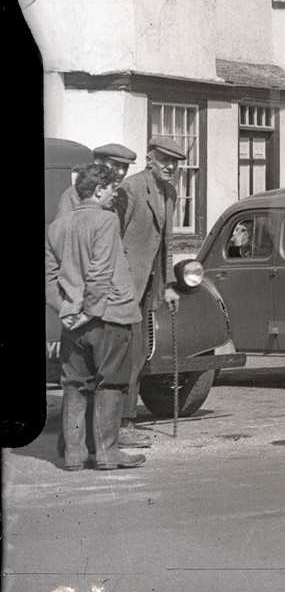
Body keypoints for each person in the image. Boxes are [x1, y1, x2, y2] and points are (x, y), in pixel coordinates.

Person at [45, 163, 146, 470]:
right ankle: (106, 452)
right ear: (99, 189)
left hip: (72, 321)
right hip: (108, 315)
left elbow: (49, 278)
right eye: (112, 189)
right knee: (111, 383)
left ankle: (74, 454)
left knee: (74, 384)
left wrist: (67, 311)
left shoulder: (57, 226)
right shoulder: (105, 220)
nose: (114, 195)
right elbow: (101, 271)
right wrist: (89, 312)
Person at [116, 139, 183, 431]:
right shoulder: (130, 188)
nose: (170, 167)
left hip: (149, 286)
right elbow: (113, 239)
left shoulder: (170, 192)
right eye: (164, 160)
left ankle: (126, 417)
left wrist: (168, 284)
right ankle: (119, 420)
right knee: (123, 350)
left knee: (140, 351)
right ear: (149, 160)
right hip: (124, 285)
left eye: (175, 162)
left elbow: (168, 243)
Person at [53, 143, 138, 219]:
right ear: (98, 163)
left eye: (125, 167)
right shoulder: (74, 193)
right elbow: (61, 230)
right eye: (115, 165)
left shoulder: (121, 194)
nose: (121, 172)